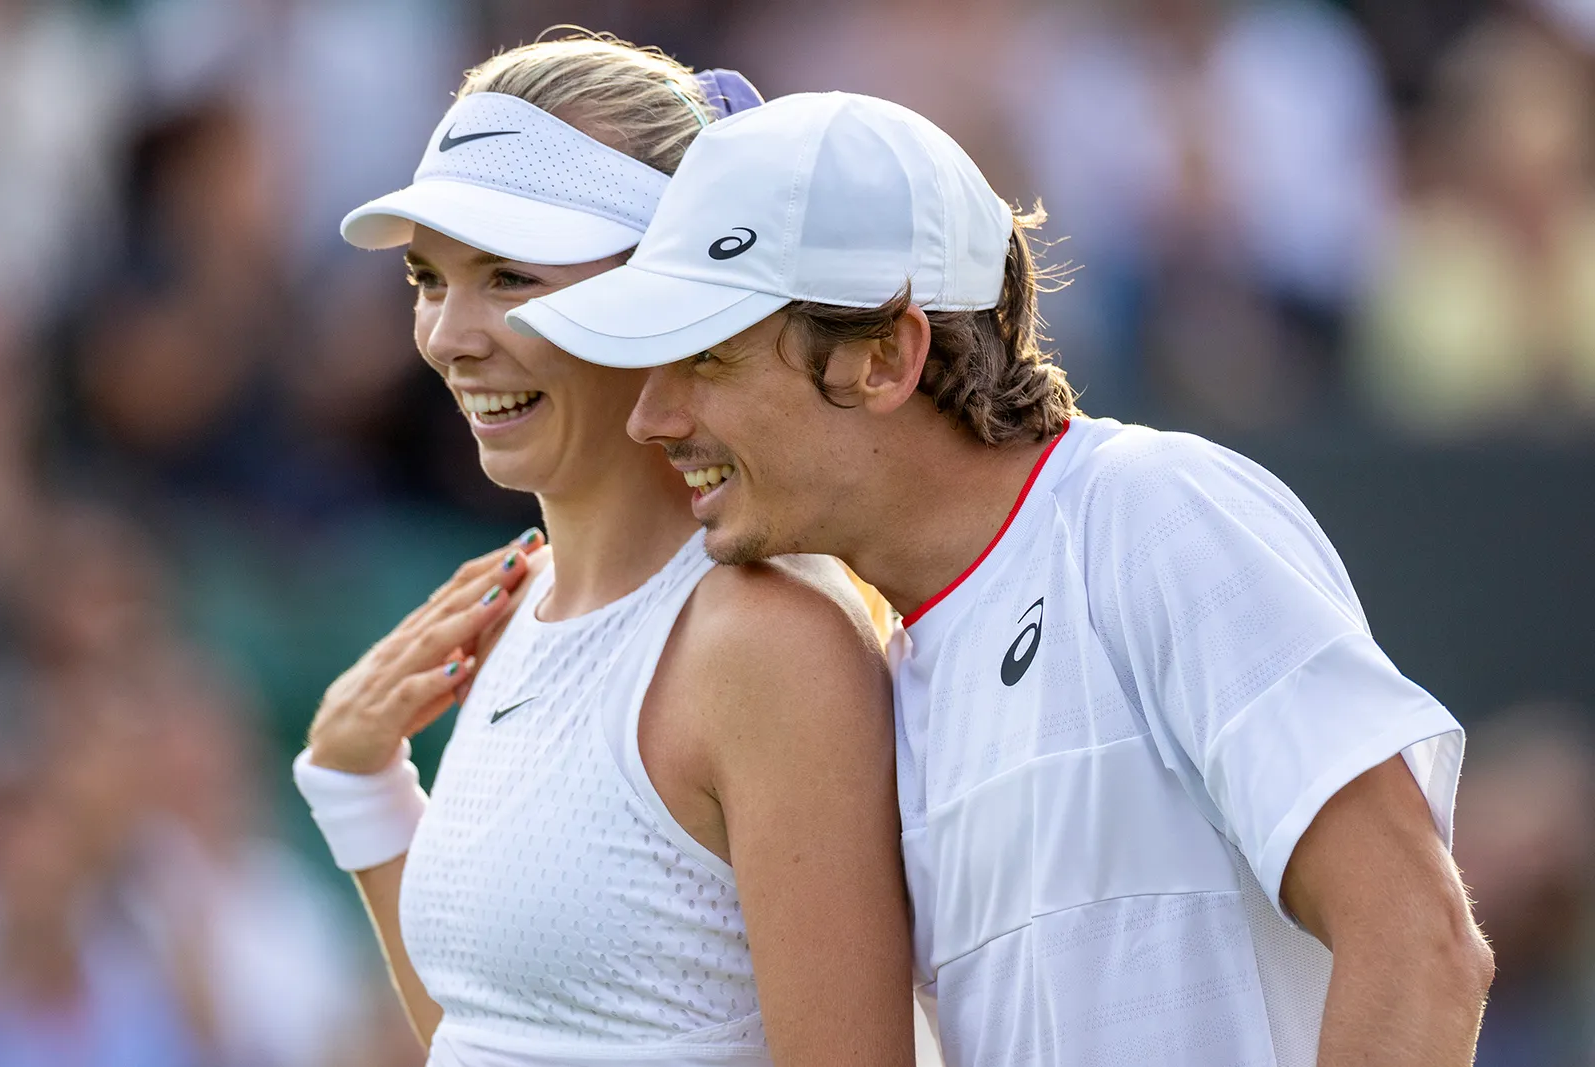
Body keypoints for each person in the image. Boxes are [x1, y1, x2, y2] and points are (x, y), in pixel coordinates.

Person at [509, 91, 1495, 1066]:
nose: (653, 417)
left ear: (884, 356)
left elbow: (1418, 942)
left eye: (709, 359)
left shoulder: (1151, 513)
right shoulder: (890, 676)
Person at [292, 43, 914, 1067]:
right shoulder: (509, 609)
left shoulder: (768, 639)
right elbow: (497, 1037)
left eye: (508, 276)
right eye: (427, 279)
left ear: (666, 288)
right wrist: (358, 788)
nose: (451, 334)